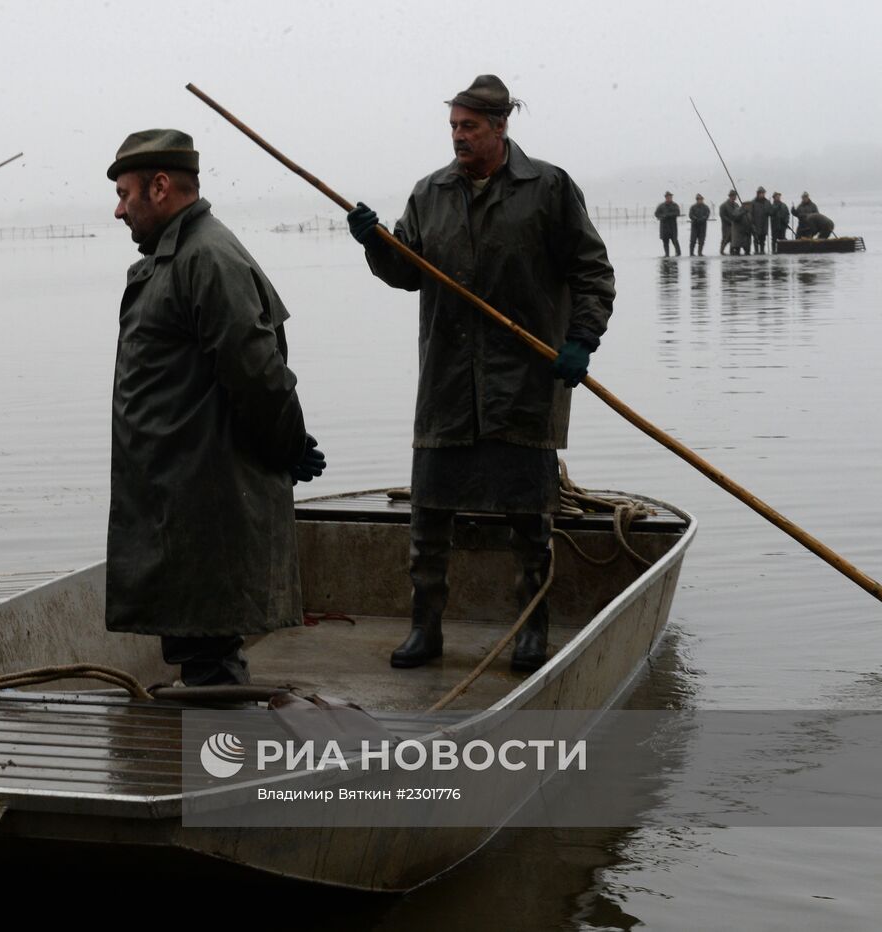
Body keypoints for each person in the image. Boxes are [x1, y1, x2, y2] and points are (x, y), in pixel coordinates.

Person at [345, 75, 614, 673]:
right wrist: (377, 245)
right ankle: (425, 629)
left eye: (469, 127)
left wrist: (581, 340)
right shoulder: (430, 192)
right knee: (430, 514)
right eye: (453, 127)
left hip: (523, 380)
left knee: (528, 517)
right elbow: (406, 273)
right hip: (446, 381)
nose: (458, 138)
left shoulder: (548, 187)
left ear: (501, 127)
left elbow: (593, 272)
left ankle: (530, 631)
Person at [104, 129, 325, 687]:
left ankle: (217, 753)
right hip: (177, 497)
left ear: (160, 187)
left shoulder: (208, 257)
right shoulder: (173, 258)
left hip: (203, 499)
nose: (118, 210)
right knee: (197, 639)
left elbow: (259, 374)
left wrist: (289, 444)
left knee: (210, 649)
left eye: (126, 194)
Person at [654, 192, 681, 257]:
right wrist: (662, 216)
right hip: (664, 227)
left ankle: (678, 253)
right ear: (665, 197)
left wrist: (669, 215)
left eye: (670, 197)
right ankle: (667, 254)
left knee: (675, 241)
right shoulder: (661, 206)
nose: (669, 198)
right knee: (665, 242)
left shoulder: (675, 205)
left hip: (672, 226)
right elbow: (656, 214)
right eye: (668, 197)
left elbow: (677, 213)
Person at [749, 187, 771, 254]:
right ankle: (756, 252)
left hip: (764, 224)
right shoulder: (753, 202)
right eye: (761, 193)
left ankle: (762, 251)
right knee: (756, 239)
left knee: (762, 240)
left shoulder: (767, 202)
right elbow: (750, 213)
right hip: (755, 224)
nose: (762, 194)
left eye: (763, 193)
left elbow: (770, 212)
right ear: (758, 194)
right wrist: (752, 223)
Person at [719, 190, 741, 255]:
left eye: (735, 196)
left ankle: (732, 251)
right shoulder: (723, 205)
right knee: (725, 238)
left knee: (733, 239)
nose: (734, 197)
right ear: (730, 196)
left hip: (735, 226)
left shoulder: (736, 205)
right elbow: (722, 215)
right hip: (726, 226)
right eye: (733, 196)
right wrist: (729, 221)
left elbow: (738, 214)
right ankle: (722, 251)